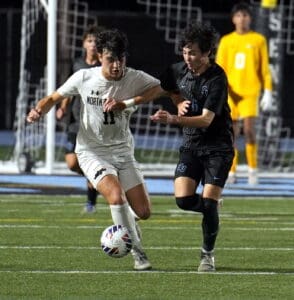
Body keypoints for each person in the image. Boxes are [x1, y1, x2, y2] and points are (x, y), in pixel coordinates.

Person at [27, 28, 162, 271]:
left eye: (120, 59)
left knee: (143, 212)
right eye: (111, 59)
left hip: (123, 152)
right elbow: (54, 97)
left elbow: (159, 88)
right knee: (115, 196)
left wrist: (128, 103)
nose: (116, 65)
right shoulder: (83, 77)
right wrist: (38, 110)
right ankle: (138, 254)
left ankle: (129, 224)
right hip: (91, 152)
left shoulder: (134, 77)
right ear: (100, 56)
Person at [104, 22, 234, 272]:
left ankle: (207, 255)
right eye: (185, 51)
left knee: (207, 203)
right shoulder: (177, 70)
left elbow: (207, 120)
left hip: (218, 147)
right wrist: (127, 103)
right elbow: (157, 91)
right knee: (184, 201)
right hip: (191, 144)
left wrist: (172, 118)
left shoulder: (217, 77)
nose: (188, 57)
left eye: (193, 52)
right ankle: (211, 208)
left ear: (207, 53)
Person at [216, 1, 273, 185]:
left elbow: (264, 68)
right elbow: (220, 69)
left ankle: (252, 169)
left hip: (250, 92)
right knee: (231, 133)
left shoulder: (258, 40)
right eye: (239, 15)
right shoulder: (226, 40)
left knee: (249, 130)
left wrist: (268, 91)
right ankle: (231, 171)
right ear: (233, 19)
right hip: (231, 93)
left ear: (250, 18)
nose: (242, 19)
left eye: (245, 15)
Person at [56, 25, 101, 213]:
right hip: (75, 121)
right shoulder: (76, 65)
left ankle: (91, 202)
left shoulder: (104, 66)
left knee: (91, 161)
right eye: (90, 41)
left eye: (96, 42)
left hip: (96, 123)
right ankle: (99, 177)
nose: (92, 45)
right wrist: (63, 107)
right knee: (72, 163)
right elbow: (68, 90)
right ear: (84, 43)